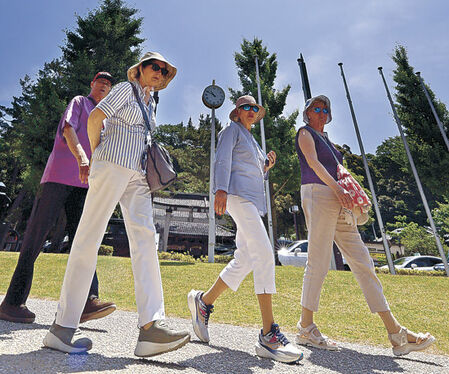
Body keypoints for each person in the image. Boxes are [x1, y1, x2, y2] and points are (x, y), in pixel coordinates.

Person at [43, 52, 190, 357]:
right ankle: (62, 328)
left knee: (146, 239)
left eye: (164, 71)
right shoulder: (125, 88)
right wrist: (97, 155)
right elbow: (97, 118)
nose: (159, 73)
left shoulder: (150, 104)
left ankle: (151, 328)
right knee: (88, 239)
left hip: (136, 176)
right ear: (140, 69)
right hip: (111, 164)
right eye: (155, 67)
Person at [295, 94, 435, 356]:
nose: (322, 112)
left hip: (339, 199)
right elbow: (312, 162)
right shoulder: (305, 133)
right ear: (308, 113)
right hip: (318, 193)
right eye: (317, 108)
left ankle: (396, 333)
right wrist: (337, 189)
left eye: (326, 109)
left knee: (363, 260)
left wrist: (346, 192)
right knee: (318, 260)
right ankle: (305, 327)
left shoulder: (330, 142)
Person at [188, 94, 303, 364]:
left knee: (247, 258)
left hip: (251, 200)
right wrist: (220, 190)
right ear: (237, 112)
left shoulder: (252, 140)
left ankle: (204, 301)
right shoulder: (231, 131)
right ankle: (268, 334)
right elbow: (223, 160)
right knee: (264, 253)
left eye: (254, 108)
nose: (250, 111)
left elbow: (252, 171)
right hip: (237, 196)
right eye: (245, 108)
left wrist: (266, 166)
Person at [0, 72, 116, 325]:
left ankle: (86, 301)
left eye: (109, 84)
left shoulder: (105, 119)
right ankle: (11, 303)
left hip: (85, 185)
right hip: (59, 177)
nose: (105, 85)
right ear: (91, 84)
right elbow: (68, 129)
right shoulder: (79, 102)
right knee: (35, 237)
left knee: (84, 240)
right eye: (100, 81)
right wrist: (82, 158)